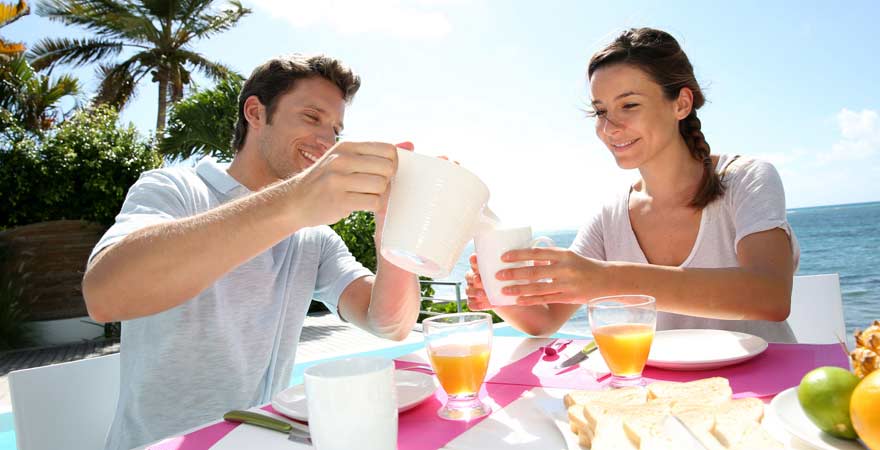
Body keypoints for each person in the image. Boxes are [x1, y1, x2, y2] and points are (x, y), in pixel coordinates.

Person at [81, 54, 422, 450]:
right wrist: (294, 204)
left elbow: (389, 323)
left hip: (263, 441)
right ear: (256, 113)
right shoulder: (175, 189)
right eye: (312, 117)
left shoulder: (312, 237)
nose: (327, 142)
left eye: (335, 130)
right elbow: (105, 295)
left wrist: (394, 224)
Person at [465, 27, 800, 343]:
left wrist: (604, 280)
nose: (610, 127)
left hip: (765, 392)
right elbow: (546, 319)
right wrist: (503, 296)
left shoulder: (746, 178)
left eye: (629, 105)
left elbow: (769, 294)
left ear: (681, 104)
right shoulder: (611, 216)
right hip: (667, 395)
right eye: (600, 111)